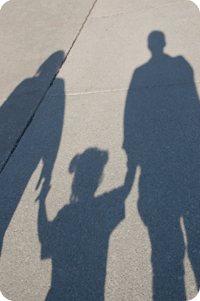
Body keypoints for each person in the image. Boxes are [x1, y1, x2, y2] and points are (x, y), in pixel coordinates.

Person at [123, 31, 200, 300]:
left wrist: (131, 156)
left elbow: (130, 111)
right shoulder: (181, 65)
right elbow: (193, 101)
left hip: (152, 164)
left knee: (163, 242)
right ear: (162, 44)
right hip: (186, 152)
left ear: (150, 45)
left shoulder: (141, 71)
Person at [37, 148, 131, 300]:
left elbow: (44, 236)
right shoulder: (104, 207)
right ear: (99, 178)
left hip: (58, 293)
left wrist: (42, 201)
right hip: (93, 293)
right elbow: (125, 190)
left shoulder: (65, 213)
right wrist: (133, 163)